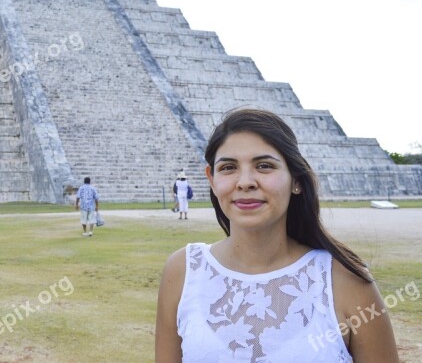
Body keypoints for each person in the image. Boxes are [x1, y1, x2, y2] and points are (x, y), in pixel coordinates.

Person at [155, 108, 398, 362]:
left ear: (296, 180)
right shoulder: (183, 272)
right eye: (228, 167)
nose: (245, 182)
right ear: (212, 180)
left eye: (264, 166)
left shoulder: (346, 280)